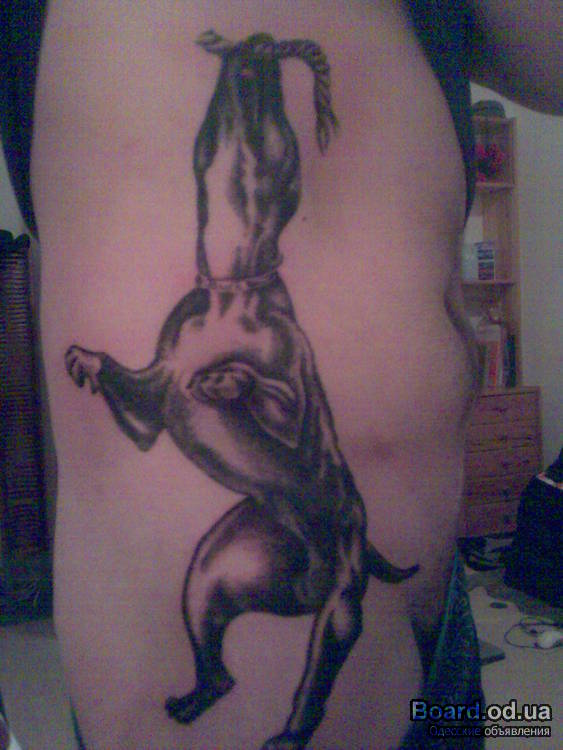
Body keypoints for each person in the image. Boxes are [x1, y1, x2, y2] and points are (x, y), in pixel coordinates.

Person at [1, 2, 560, 748]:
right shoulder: (206, 311)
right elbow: (155, 407)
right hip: (203, 657)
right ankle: (220, 679)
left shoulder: (262, 326)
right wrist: (114, 375)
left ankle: (290, 709)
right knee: (215, 584)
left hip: (436, 628)